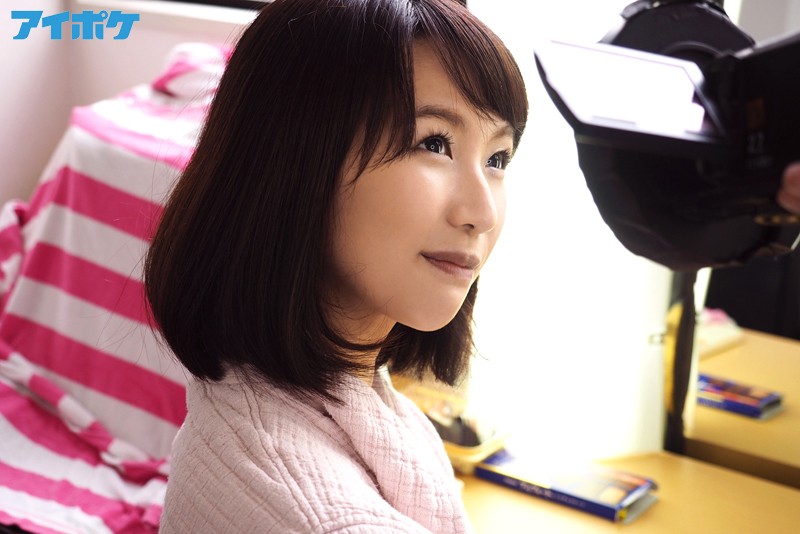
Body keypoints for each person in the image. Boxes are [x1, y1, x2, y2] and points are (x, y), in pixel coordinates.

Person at [143, 0, 527, 531]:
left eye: (497, 159)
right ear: (294, 160)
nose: (482, 213)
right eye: (434, 143)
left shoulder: (280, 403)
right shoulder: (324, 515)